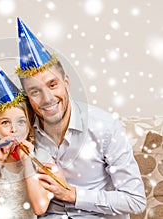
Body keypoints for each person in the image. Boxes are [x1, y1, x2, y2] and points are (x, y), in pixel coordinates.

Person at [14, 17, 146, 219]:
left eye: (52, 85)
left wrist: (72, 195)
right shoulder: (26, 131)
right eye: (35, 91)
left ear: (66, 83)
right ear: (27, 97)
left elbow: (135, 201)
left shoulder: (103, 127)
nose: (47, 99)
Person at [0, 57, 52, 218]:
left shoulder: (42, 156)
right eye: (5, 122)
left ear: (30, 125)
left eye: (21, 122)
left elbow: (40, 208)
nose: (13, 129)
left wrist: (27, 162)